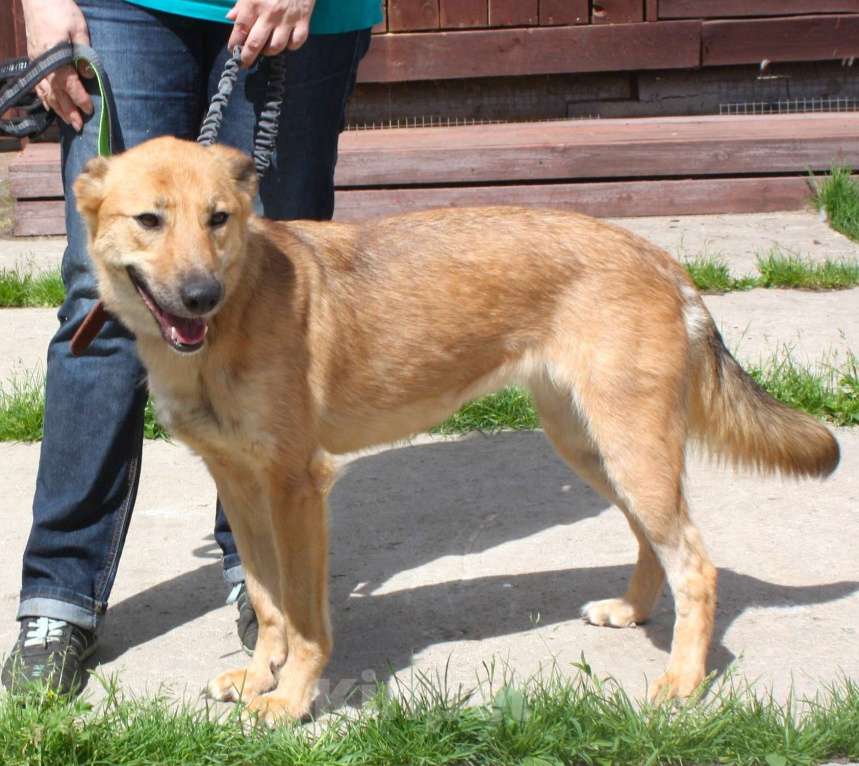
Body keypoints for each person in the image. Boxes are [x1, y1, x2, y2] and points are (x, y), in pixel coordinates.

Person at [1, 0, 379, 695]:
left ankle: (265, 587)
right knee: (103, 288)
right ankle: (60, 594)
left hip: (301, 17)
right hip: (123, 8)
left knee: (272, 281)